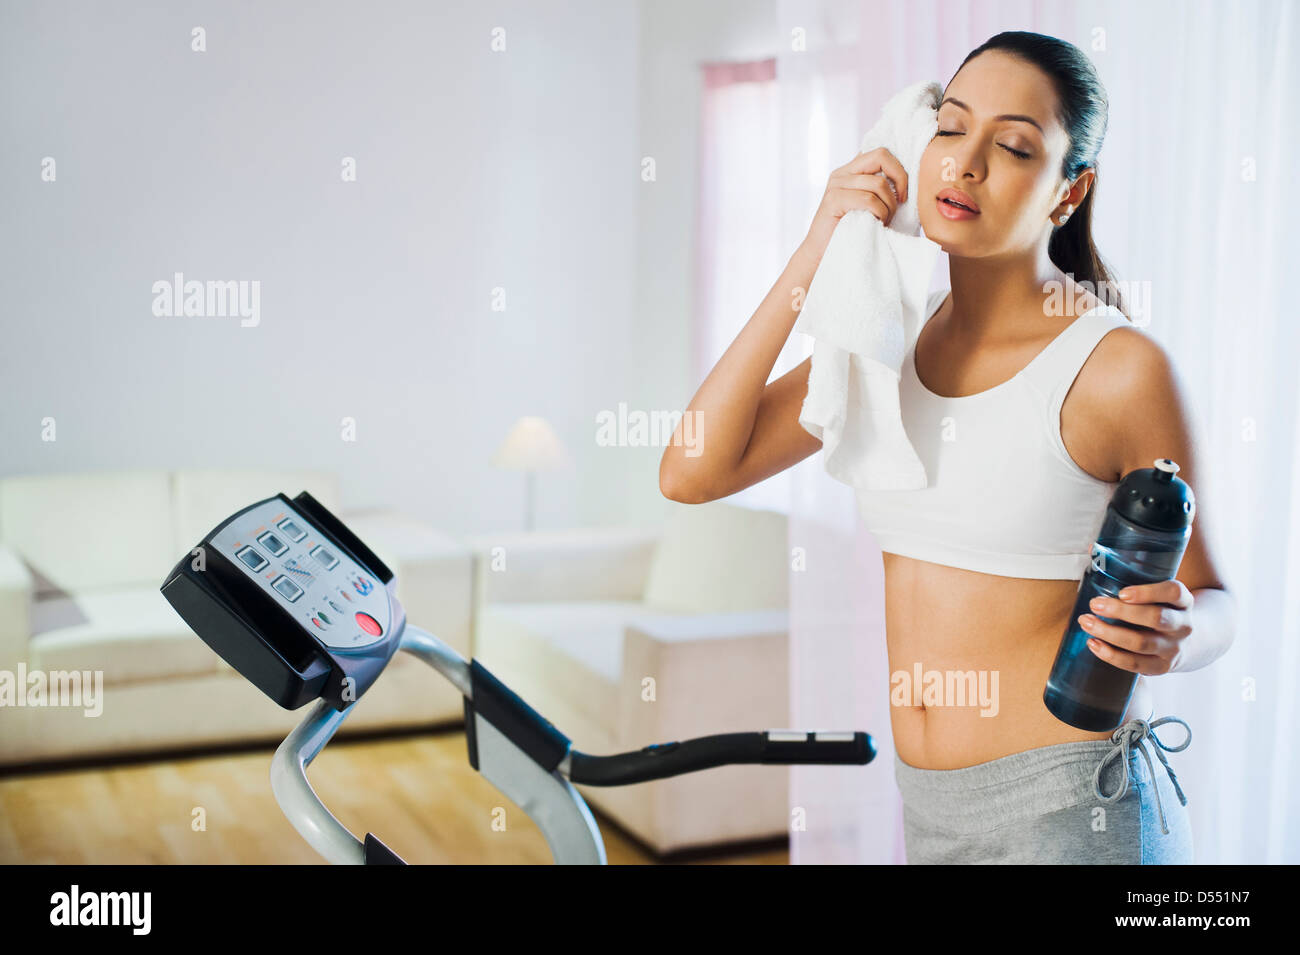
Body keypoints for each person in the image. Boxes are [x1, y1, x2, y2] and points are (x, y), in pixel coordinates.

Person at [658, 30, 1236, 864]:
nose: (963, 165)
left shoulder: (1116, 368)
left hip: (1070, 815)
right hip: (927, 813)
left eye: (1011, 146)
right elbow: (692, 469)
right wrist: (818, 246)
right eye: (950, 127)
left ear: (1070, 194)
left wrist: (1183, 631)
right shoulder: (889, 340)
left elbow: (1216, 600)